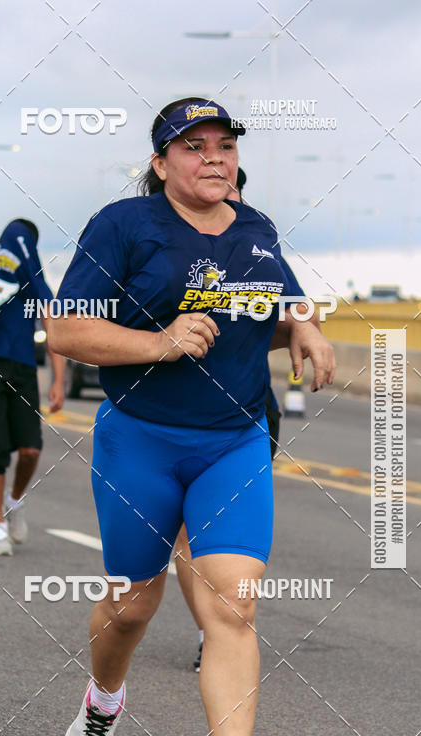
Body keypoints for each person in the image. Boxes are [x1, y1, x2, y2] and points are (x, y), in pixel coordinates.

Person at [49, 97, 334, 736]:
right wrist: (158, 342)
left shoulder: (259, 231)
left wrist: (305, 328)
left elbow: (281, 308)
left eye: (223, 145)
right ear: (161, 163)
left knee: (232, 606)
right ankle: (103, 702)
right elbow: (66, 329)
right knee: (130, 606)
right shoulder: (123, 226)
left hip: (233, 441)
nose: (213, 157)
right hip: (139, 438)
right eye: (193, 146)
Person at [174, 165, 284, 672]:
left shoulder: (258, 243)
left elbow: (295, 310)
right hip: (168, 416)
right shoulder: (169, 246)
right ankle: (209, 627)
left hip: (248, 411)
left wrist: (305, 329)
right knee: (183, 536)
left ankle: (225, 620)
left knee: (228, 535)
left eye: (234, 190)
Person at [0, 218, 66, 555]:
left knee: (31, 449)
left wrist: (58, 379)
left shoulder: (32, 278)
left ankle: (14, 501)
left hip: (22, 369)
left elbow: (52, 323)